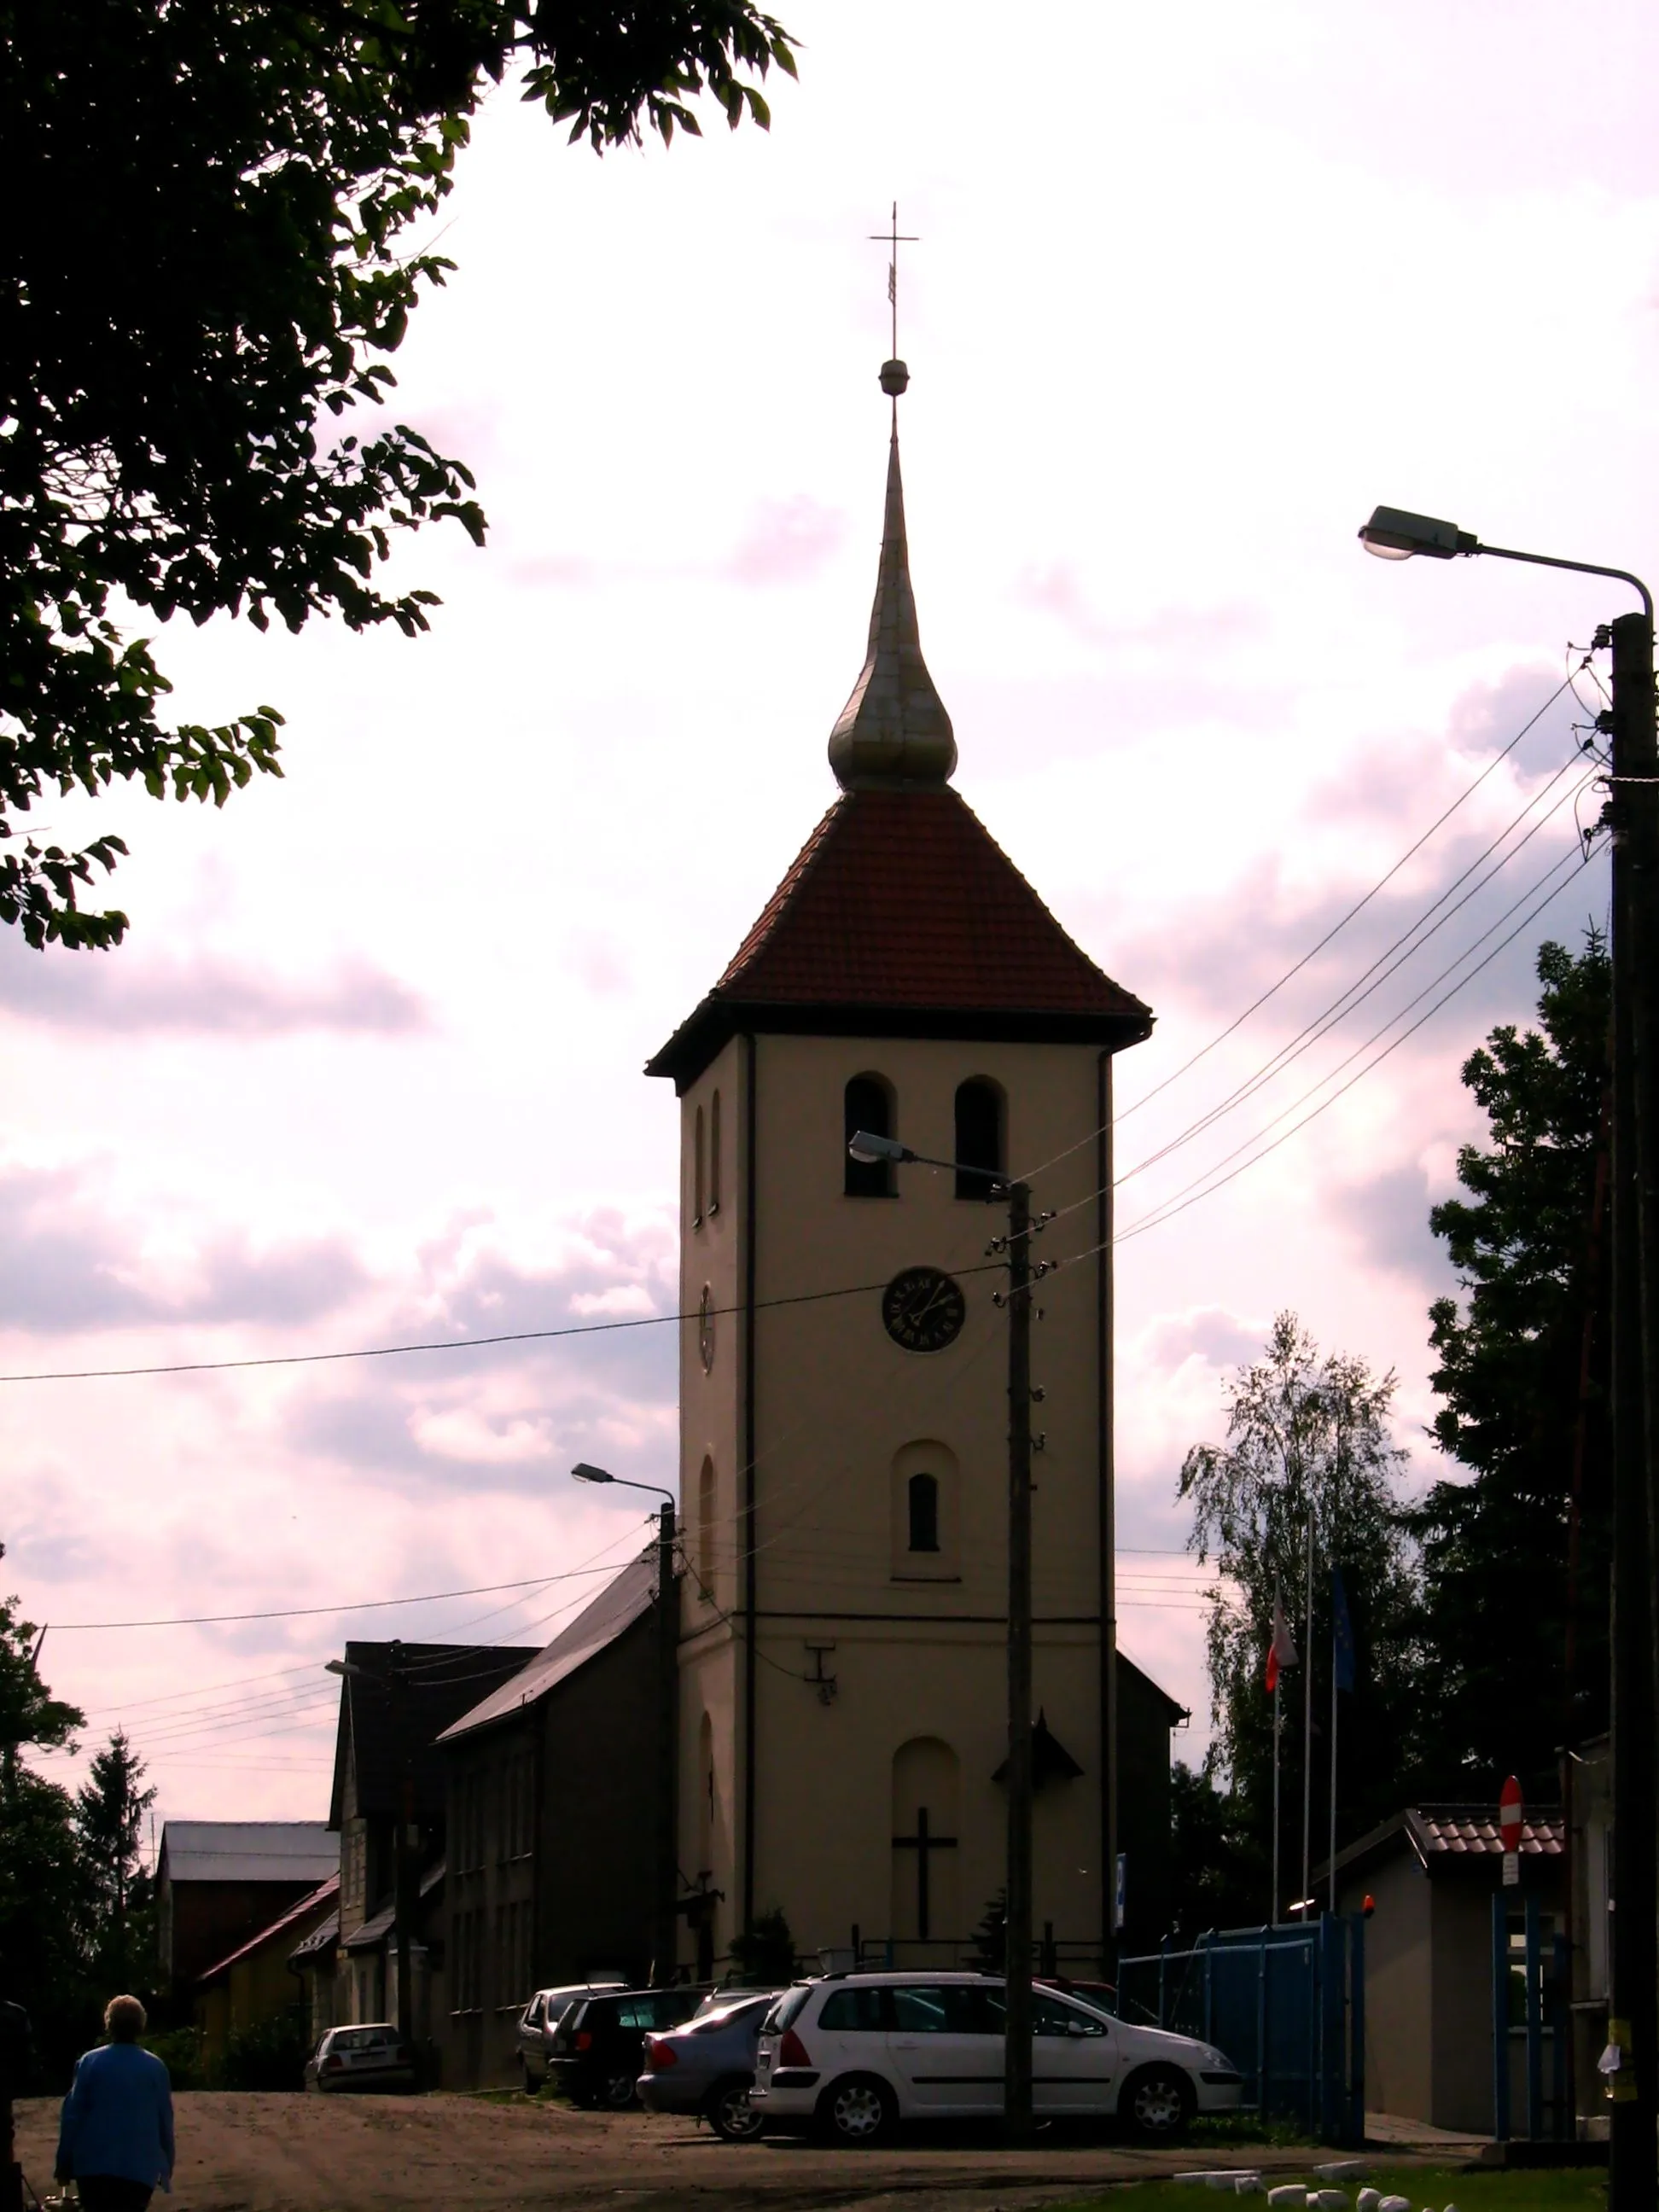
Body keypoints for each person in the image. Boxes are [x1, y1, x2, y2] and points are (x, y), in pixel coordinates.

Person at [55, 1996, 173, 2211]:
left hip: (93, 2169)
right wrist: (166, 2166)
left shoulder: (90, 2062)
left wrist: (64, 2160)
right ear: (141, 2026)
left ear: (109, 2024)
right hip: (138, 2172)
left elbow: (72, 2116)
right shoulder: (156, 2068)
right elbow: (164, 2121)